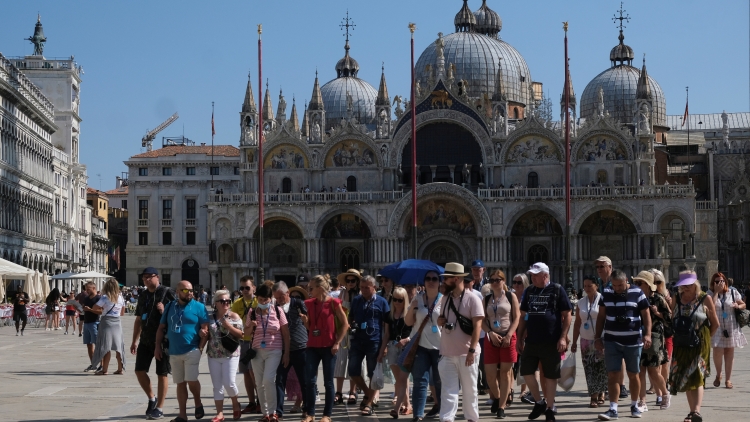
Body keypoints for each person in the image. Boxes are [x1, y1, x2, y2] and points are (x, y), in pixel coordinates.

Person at [515, 262, 572, 422]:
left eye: (535, 275)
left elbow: (567, 314)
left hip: (551, 340)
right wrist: (519, 338)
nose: (532, 277)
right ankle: (539, 401)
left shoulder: (557, 289)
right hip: (531, 340)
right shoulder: (529, 291)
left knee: (550, 375)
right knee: (526, 371)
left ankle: (549, 408)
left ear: (545, 275)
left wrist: (562, 337)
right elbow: (523, 315)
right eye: (531, 275)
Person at [594, 269, 652, 420]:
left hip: (633, 341)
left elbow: (646, 315)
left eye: (620, 285)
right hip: (612, 340)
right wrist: (597, 338)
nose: (617, 288)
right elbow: (601, 316)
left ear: (626, 280)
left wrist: (647, 334)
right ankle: (613, 408)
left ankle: (634, 405)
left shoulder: (637, 292)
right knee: (612, 374)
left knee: (633, 374)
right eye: (614, 285)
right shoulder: (606, 292)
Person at [436, 263, 484, 422]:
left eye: (447, 279)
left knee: (470, 390)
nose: (444, 282)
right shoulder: (445, 299)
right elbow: (441, 321)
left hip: (467, 354)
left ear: (456, 279)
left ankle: (472, 419)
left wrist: (471, 351)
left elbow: (478, 326)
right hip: (447, 353)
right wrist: (440, 320)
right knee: (448, 390)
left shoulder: (473, 299)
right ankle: (447, 419)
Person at [669, 271, 719, 422]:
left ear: (695, 284)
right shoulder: (676, 298)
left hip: (700, 342)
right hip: (681, 343)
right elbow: (672, 318)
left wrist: (705, 339)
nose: (686, 288)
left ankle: (696, 411)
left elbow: (715, 324)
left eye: (689, 285)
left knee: (698, 374)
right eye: (683, 285)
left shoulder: (705, 298)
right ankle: (692, 412)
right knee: (685, 375)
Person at [156, 280, 209, 422]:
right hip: (174, 351)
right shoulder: (169, 306)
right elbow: (161, 328)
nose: (190, 293)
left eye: (191, 290)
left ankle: (198, 402)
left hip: (192, 349)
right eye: (185, 290)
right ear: (177, 292)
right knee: (180, 383)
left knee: (191, 380)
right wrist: (157, 347)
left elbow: (205, 328)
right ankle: (182, 415)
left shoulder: (199, 307)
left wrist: (201, 347)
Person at [302, 275, 349, 422]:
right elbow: (311, 328)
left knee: (328, 382)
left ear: (320, 289)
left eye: (311, 288)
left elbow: (345, 325)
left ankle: (327, 415)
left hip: (329, 347)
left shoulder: (334, 303)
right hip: (312, 347)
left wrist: (337, 343)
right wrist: (305, 322)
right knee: (309, 380)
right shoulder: (308, 304)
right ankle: (310, 413)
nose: (308, 290)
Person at [132, 267, 175, 420]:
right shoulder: (143, 295)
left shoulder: (167, 292)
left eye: (149, 277)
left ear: (157, 277)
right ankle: (152, 398)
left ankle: (160, 408)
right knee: (139, 371)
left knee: (162, 373)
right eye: (144, 278)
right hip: (145, 339)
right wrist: (134, 341)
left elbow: (177, 314)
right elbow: (138, 319)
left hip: (163, 340)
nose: (146, 280)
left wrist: (164, 310)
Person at [245, 284, 290, 422]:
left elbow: (286, 333)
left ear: (270, 299)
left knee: (268, 379)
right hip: (257, 351)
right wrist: (251, 326)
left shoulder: (278, 311)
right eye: (260, 299)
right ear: (256, 298)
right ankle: (265, 414)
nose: (263, 302)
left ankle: (273, 412)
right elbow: (245, 334)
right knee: (259, 383)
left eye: (266, 299)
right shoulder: (252, 312)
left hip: (274, 350)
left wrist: (286, 353)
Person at [348, 275, 389, 416]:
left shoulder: (382, 302)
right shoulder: (357, 300)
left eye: (367, 287)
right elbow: (351, 317)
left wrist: (385, 345)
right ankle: (367, 393)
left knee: (372, 373)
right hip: (357, 340)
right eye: (362, 287)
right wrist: (351, 325)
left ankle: (369, 403)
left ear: (375, 288)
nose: (363, 290)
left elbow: (387, 326)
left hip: (374, 341)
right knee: (352, 370)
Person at [405, 270, 443, 421]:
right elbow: (408, 322)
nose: (431, 281)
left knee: (440, 381)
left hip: (440, 347)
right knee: (420, 380)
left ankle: (442, 409)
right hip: (420, 346)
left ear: (439, 282)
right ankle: (418, 414)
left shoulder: (445, 300)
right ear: (424, 281)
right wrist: (413, 307)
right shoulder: (418, 299)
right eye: (428, 278)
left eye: (434, 278)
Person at [482, 270, 519, 419]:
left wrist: (509, 335)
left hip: (508, 337)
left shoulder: (511, 296)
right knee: (490, 375)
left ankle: (502, 407)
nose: (495, 283)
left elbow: (517, 318)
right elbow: (482, 321)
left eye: (498, 280)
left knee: (505, 373)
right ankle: (497, 398)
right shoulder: (486, 299)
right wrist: (490, 332)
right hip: (491, 338)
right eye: (492, 280)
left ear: (504, 281)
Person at [633, 271, 671, 411]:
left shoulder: (658, 299)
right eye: (636, 283)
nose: (637, 285)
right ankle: (642, 401)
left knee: (654, 371)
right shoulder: (635, 298)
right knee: (640, 370)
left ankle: (665, 394)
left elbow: (669, 319)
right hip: (638, 336)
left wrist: (657, 313)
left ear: (648, 285)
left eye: (640, 283)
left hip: (655, 336)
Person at [206, 289, 244, 422]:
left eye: (228, 301)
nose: (225, 303)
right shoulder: (210, 317)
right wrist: (202, 334)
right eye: (222, 301)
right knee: (217, 386)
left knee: (229, 382)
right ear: (215, 303)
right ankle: (220, 413)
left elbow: (241, 335)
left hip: (231, 354)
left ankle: (235, 402)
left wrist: (228, 326)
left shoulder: (234, 316)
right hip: (213, 354)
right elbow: (207, 334)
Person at [272, 281, 308, 419]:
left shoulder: (298, 304)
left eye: (281, 297)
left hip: (301, 348)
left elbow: (308, 321)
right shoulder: (275, 307)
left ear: (287, 293)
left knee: (304, 380)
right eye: (277, 298)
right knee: (280, 380)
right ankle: (278, 411)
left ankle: (306, 408)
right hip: (283, 350)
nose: (279, 300)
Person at [594, 256, 629, 399]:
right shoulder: (598, 284)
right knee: (607, 356)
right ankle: (609, 385)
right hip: (604, 322)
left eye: (602, 266)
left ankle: (621, 385)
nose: (599, 270)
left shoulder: (616, 282)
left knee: (618, 356)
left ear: (610, 267)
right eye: (597, 267)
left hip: (617, 323)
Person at [571, 275, 607, 408]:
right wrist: (574, 342)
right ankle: (593, 396)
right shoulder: (581, 302)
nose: (586, 288)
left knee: (601, 368)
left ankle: (601, 392)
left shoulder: (602, 300)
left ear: (596, 286)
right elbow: (577, 323)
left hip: (601, 339)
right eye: (585, 286)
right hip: (585, 340)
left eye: (589, 286)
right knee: (589, 369)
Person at [707, 272, 746, 389]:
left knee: (729, 352)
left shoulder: (733, 292)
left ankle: (728, 380)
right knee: (717, 351)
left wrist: (738, 306)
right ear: (713, 283)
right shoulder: (710, 294)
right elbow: (710, 307)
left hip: (731, 325)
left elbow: (743, 304)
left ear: (725, 282)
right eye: (717, 281)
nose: (720, 283)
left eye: (722, 281)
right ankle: (719, 374)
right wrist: (716, 292)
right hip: (717, 326)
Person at [382, 286, 413, 418]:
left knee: (402, 378)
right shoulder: (389, 315)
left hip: (406, 348)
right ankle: (408, 405)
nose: (397, 302)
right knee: (400, 380)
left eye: (400, 300)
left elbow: (415, 332)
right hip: (393, 347)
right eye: (395, 299)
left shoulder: (409, 314)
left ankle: (398, 407)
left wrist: (406, 340)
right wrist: (383, 349)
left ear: (405, 300)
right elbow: (387, 334)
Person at [230, 275, 260, 414]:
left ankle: (260, 400)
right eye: (242, 288)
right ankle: (251, 402)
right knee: (246, 373)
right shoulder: (237, 303)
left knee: (255, 372)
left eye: (247, 287)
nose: (244, 290)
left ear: (253, 288)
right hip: (242, 341)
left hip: (256, 341)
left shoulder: (258, 302)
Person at [334, 269, 361, 405]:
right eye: (348, 281)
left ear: (357, 282)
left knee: (354, 363)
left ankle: (352, 391)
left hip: (356, 333)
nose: (350, 283)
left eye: (353, 280)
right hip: (343, 331)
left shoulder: (361, 295)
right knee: (340, 361)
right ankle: (338, 392)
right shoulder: (341, 293)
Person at [90, 279, 127, 375]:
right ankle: (120, 369)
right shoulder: (121, 298)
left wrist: (104, 308)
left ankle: (104, 370)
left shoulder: (105, 298)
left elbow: (94, 308)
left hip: (106, 321)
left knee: (106, 346)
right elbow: (122, 313)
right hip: (117, 322)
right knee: (119, 346)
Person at [648, 269, 673, 406]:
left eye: (658, 282)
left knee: (664, 364)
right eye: (653, 281)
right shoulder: (646, 296)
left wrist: (667, 305)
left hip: (666, 334)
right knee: (653, 365)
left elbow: (671, 316)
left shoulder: (666, 295)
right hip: (651, 334)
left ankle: (663, 387)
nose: (656, 284)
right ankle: (658, 390)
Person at [81, 282, 102, 372]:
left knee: (97, 345)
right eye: (86, 289)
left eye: (88, 289)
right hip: (86, 322)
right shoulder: (86, 298)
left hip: (95, 322)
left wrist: (90, 310)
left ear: (94, 288)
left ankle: (102, 364)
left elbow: (101, 311)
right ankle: (93, 364)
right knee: (89, 344)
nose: (86, 291)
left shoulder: (99, 298)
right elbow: (84, 309)